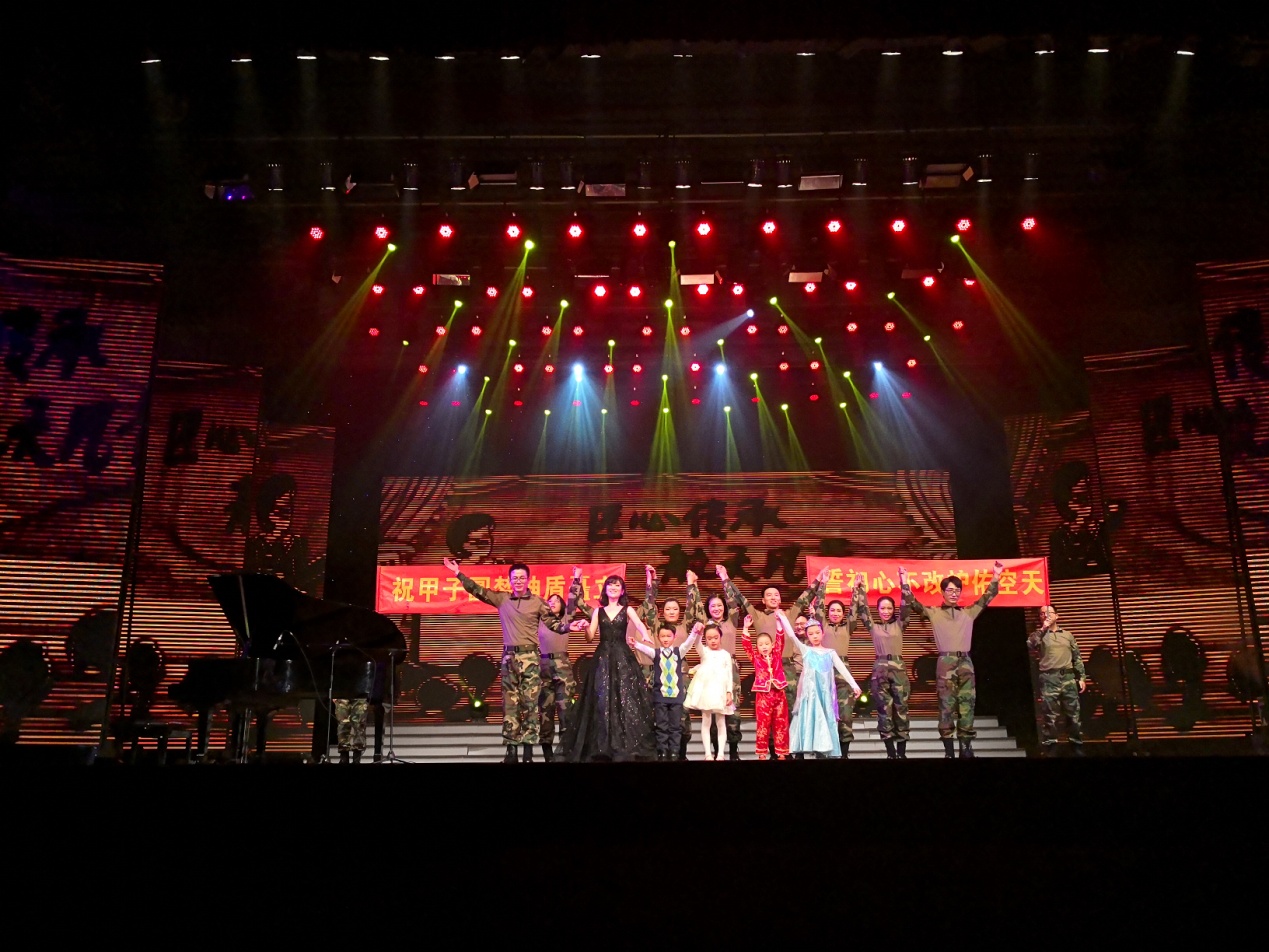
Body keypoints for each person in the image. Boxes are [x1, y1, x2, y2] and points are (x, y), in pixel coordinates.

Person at [444, 557, 558, 764]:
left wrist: (571, 626)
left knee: (530, 705)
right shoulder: (502, 599)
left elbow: (554, 623)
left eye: (522, 578)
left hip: (530, 659)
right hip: (509, 658)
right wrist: (457, 573)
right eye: (515, 578)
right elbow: (477, 590)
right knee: (510, 705)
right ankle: (511, 751)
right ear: (510, 580)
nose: (518, 581)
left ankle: (528, 753)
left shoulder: (538, 602)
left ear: (528, 580)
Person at [716, 563, 826, 758]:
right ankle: (773, 752)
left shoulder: (789, 614)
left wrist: (819, 580)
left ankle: (792, 750)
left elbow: (805, 597)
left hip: (787, 669)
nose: (774, 597)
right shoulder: (757, 616)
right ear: (763, 600)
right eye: (769, 595)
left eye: (776, 595)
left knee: (792, 710)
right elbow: (740, 597)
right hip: (766, 671)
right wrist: (725, 578)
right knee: (768, 715)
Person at [899, 562, 1003, 759]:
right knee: (946, 706)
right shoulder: (934, 612)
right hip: (945, 663)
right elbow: (913, 602)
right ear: (943, 592)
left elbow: (988, 596)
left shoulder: (968, 612)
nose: (954, 594)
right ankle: (948, 751)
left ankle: (965, 748)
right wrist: (904, 581)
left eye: (957, 590)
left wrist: (996, 576)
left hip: (966, 663)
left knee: (967, 705)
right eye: (950, 590)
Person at [564, 575, 657, 762]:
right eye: (610, 585)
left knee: (625, 698)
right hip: (603, 658)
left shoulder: (627, 609)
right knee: (602, 700)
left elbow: (639, 623)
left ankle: (624, 744)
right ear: (605, 589)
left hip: (623, 657)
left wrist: (645, 635)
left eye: (617, 585)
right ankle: (602, 745)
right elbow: (590, 637)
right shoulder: (598, 612)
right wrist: (585, 628)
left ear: (622, 591)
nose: (613, 588)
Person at [642, 565, 701, 760]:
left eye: (675, 608)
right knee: (660, 719)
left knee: (682, 718)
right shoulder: (658, 626)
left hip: (681, 679)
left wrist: (691, 584)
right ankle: (661, 753)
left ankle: (680, 753)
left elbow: (692, 607)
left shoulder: (684, 625)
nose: (672, 611)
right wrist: (651, 581)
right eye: (668, 609)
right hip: (660, 680)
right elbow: (649, 605)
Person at [783, 612, 861, 759]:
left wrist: (854, 685)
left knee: (824, 721)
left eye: (817, 633)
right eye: (811, 634)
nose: (815, 636)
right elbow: (792, 635)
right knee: (807, 719)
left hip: (824, 694)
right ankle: (801, 752)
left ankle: (822, 751)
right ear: (807, 636)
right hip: (810, 694)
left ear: (823, 633)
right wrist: (782, 617)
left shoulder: (830, 652)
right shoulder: (806, 650)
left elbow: (842, 669)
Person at [852, 574, 911, 760]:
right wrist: (860, 588)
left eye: (889, 608)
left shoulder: (900, 624)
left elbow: (906, 606)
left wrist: (904, 583)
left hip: (899, 670)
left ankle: (902, 753)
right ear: (877, 610)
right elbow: (863, 609)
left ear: (894, 610)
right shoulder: (873, 626)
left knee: (901, 710)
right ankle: (890, 753)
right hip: (879, 670)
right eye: (882, 608)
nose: (886, 611)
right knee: (884, 711)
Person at [537, 571, 590, 762]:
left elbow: (573, 599)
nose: (552, 603)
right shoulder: (540, 620)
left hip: (562, 666)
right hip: (543, 665)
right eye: (549, 601)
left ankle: (565, 749)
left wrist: (576, 579)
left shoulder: (566, 619)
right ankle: (547, 750)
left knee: (564, 707)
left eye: (556, 601)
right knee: (545, 707)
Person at [630, 622, 700, 760]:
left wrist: (695, 632)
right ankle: (662, 751)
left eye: (669, 636)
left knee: (675, 726)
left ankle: (674, 751)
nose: (666, 639)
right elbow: (645, 649)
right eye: (663, 636)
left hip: (676, 696)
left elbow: (688, 643)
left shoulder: (678, 652)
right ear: (658, 637)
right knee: (661, 725)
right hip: (660, 696)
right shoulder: (656, 653)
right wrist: (635, 644)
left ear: (674, 637)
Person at [811, 581, 862, 759]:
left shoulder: (848, 626)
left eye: (839, 611)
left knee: (845, 715)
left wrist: (856, 589)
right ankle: (822, 754)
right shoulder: (822, 626)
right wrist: (823, 584)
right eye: (832, 610)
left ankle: (844, 755)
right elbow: (818, 605)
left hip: (843, 676)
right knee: (823, 716)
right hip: (824, 673)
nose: (835, 613)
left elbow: (854, 609)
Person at [1028, 604, 1086, 757]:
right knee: (1050, 717)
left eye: (1049, 612)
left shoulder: (1067, 635)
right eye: (1042, 613)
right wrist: (1043, 628)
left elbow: (1077, 657)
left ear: (1057, 615)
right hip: (1049, 679)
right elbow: (1030, 644)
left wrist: (1081, 677)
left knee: (1073, 715)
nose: (1045, 615)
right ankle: (1051, 747)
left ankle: (1076, 746)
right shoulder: (1038, 635)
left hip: (1068, 678)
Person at [694, 587, 744, 760]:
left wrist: (724, 579)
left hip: (729, 670)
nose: (716, 608)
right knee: (711, 715)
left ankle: (733, 751)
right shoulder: (705, 625)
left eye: (719, 605)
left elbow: (734, 602)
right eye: (712, 606)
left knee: (732, 712)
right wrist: (693, 585)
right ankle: (715, 752)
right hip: (710, 673)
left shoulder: (732, 620)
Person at [740, 614, 790, 760]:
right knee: (763, 724)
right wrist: (745, 628)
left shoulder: (777, 654)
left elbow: (780, 640)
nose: (764, 647)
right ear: (757, 648)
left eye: (767, 644)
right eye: (761, 645)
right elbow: (746, 646)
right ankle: (762, 752)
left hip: (779, 693)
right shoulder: (755, 658)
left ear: (772, 645)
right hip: (763, 696)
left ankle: (781, 752)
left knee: (781, 723)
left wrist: (779, 623)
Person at [683, 623, 735, 761]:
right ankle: (707, 753)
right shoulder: (704, 651)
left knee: (721, 721)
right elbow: (697, 644)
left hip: (721, 689)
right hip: (706, 689)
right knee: (706, 721)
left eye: (716, 637)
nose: (713, 641)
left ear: (720, 637)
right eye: (709, 638)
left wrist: (729, 692)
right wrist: (698, 633)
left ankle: (721, 754)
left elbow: (729, 674)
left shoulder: (725, 654)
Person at [334, 698, 368, 764]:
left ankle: (356, 759)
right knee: (343, 725)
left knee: (358, 725)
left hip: (360, 695)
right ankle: (344, 758)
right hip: (342, 695)